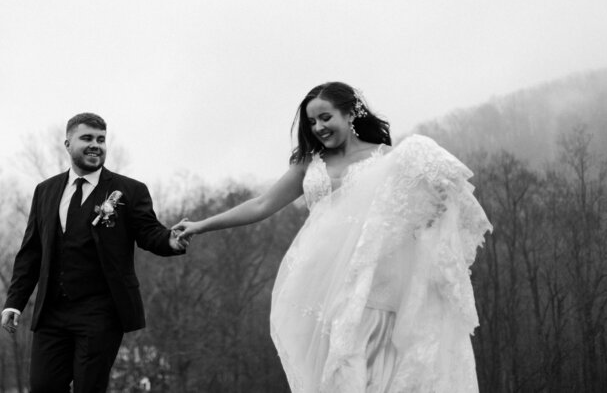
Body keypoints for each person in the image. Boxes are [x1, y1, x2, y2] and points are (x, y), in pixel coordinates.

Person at [173, 82, 492, 393]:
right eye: (311, 121)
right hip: (319, 288)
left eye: (325, 117)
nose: (318, 127)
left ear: (351, 114)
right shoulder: (308, 164)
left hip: (373, 288)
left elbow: (424, 211)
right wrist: (202, 225)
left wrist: (431, 214)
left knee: (372, 374)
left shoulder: (386, 160)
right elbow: (262, 204)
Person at [2, 112, 187, 393]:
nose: (95, 145)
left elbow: (150, 233)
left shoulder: (128, 190)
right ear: (67, 144)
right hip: (51, 313)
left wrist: (171, 241)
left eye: (101, 140)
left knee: (89, 387)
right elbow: (31, 252)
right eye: (87, 138)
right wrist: (14, 302)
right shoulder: (45, 191)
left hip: (100, 312)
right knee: (43, 386)